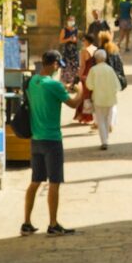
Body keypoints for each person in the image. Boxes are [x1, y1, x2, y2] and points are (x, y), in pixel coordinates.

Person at [23, 49, 80, 236]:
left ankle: (26, 222)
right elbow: (73, 104)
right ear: (54, 64)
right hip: (52, 138)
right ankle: (53, 223)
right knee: (54, 182)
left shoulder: (32, 82)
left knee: (35, 181)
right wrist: (80, 91)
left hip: (36, 138)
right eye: (58, 65)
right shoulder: (54, 85)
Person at [87, 49, 122, 150]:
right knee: (107, 119)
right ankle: (106, 138)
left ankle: (104, 141)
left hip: (98, 98)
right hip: (110, 98)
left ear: (96, 59)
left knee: (100, 120)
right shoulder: (110, 69)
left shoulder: (93, 70)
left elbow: (89, 85)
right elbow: (117, 85)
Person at [73, 33, 98, 125]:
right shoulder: (96, 49)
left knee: (85, 95)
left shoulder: (84, 50)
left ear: (87, 41)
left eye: (83, 40)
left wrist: (78, 76)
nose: (82, 41)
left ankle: (86, 116)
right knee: (92, 95)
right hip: (94, 73)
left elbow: (83, 65)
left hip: (86, 74)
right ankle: (93, 116)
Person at [59, 16, 81, 86]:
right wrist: (68, 39)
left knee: (75, 65)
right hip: (66, 50)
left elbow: (79, 40)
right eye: (70, 20)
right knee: (66, 65)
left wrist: (76, 40)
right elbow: (60, 41)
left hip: (74, 51)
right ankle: (65, 82)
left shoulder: (76, 30)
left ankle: (74, 83)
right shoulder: (64, 30)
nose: (71, 22)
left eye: (72, 20)